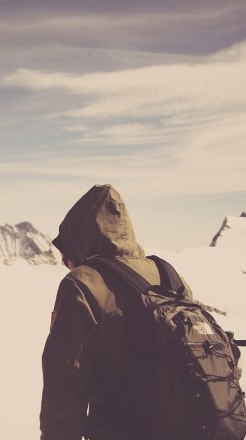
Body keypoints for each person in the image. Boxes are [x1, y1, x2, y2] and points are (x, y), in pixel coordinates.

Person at [40, 184, 193, 440]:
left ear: (79, 243)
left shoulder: (82, 284)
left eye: (65, 256)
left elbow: (64, 390)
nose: (64, 264)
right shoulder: (171, 276)